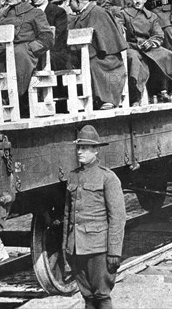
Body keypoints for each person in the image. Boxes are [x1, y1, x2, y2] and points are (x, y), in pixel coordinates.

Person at [63, 124, 126, 309]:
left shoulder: (108, 178)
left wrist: (114, 251)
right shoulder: (73, 177)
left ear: (96, 151)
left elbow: (118, 217)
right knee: (87, 296)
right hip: (77, 248)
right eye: (78, 148)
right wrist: (66, 246)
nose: (79, 152)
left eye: (85, 148)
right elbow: (68, 215)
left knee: (101, 296)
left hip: (98, 248)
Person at [116, 0, 172, 105]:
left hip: (148, 47)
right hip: (131, 46)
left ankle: (169, 90)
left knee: (167, 55)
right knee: (134, 59)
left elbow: (159, 34)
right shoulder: (123, 14)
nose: (138, 1)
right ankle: (136, 97)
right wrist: (121, 27)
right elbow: (118, 29)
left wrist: (151, 43)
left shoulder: (151, 16)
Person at [0, 0, 54, 103]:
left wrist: (31, 48)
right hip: (6, 50)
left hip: (26, 54)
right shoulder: (2, 15)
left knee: (19, 52)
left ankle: (15, 97)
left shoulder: (35, 13)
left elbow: (47, 37)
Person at [68, 0, 128, 110]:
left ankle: (107, 99)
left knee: (93, 65)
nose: (69, 5)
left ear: (78, 2)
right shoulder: (84, 14)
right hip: (89, 53)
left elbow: (103, 40)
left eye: (71, 2)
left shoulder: (97, 13)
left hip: (106, 56)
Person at [30, 0, 69, 70]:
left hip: (54, 52)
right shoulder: (30, 12)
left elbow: (58, 36)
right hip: (33, 51)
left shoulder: (58, 12)